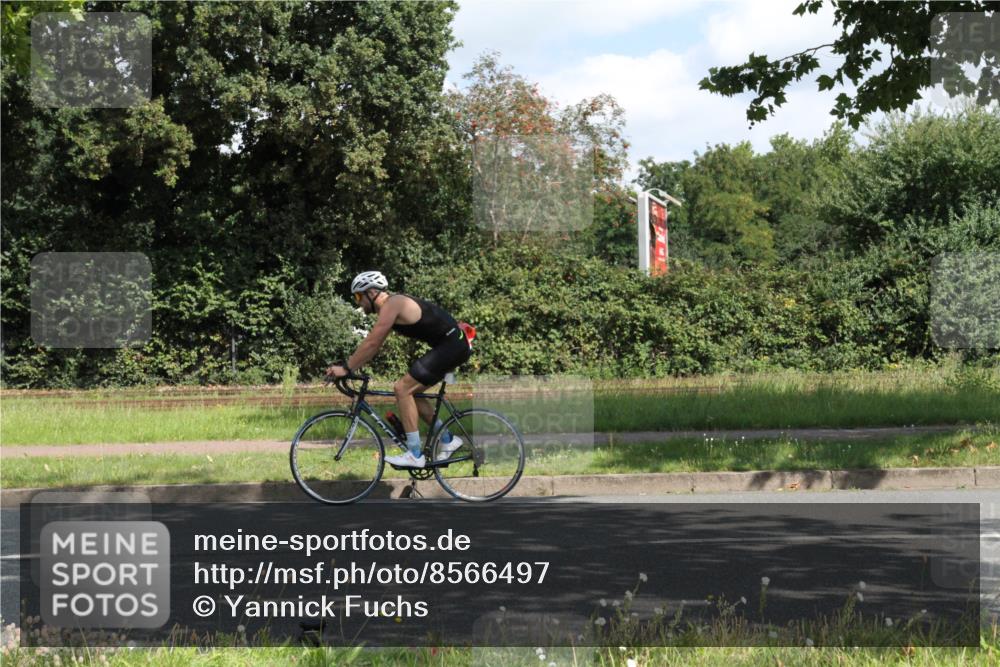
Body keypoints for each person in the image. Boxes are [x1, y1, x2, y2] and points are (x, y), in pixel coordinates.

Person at [325, 271, 471, 468]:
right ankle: (447, 439)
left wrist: (346, 368)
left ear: (371, 292)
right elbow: (374, 345)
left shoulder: (393, 304)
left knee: (402, 389)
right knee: (413, 394)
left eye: (359, 296)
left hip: (451, 346)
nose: (358, 303)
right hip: (451, 345)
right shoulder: (391, 305)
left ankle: (414, 454)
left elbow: (372, 342)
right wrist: (350, 366)